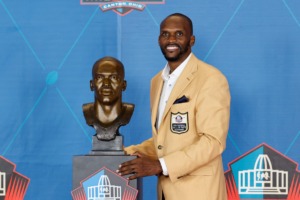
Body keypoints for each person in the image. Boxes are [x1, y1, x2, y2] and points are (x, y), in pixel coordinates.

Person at [117, 13, 230, 200]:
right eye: (165, 34)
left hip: (200, 193)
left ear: (191, 40)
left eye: (179, 34)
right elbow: (165, 140)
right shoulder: (156, 82)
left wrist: (160, 165)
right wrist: (122, 153)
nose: (171, 39)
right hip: (165, 192)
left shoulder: (211, 78)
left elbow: (212, 142)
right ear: (159, 39)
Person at [83, 56, 134, 141]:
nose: (106, 84)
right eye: (99, 77)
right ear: (91, 84)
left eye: (113, 77)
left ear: (124, 85)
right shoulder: (87, 111)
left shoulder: (128, 110)